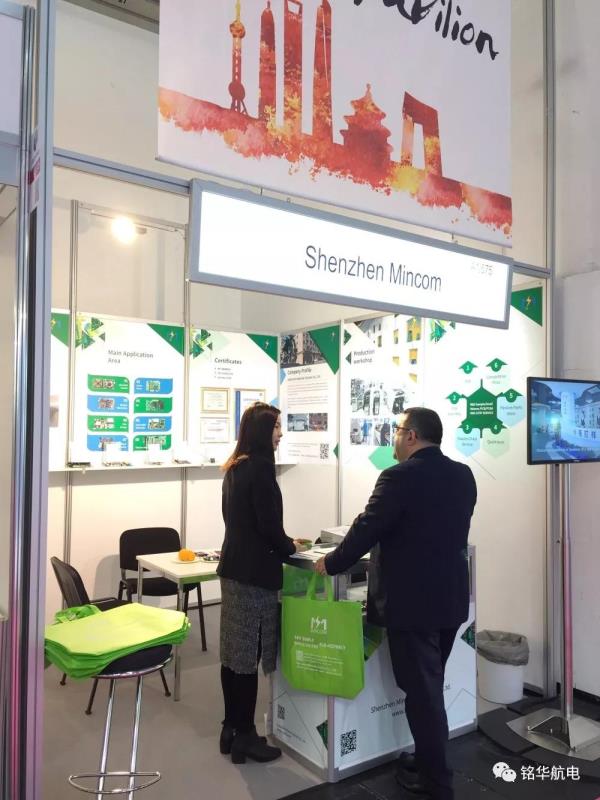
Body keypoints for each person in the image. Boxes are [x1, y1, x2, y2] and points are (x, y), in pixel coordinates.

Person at [316, 408, 476, 800]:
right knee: (429, 687)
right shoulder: (463, 475)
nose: (393, 439)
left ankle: (436, 782)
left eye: (397, 430)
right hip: (450, 598)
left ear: (412, 436)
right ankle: (426, 760)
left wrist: (331, 562)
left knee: (422, 694)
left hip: (413, 604)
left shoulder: (398, 477)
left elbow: (367, 528)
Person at [217, 402, 305, 764]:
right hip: (254, 576)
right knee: (247, 657)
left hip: (234, 570)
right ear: (262, 431)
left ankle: (230, 729)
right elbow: (268, 527)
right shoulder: (260, 470)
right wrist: (291, 547)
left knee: (232, 656)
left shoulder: (235, 467)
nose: (281, 434)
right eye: (276, 427)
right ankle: (247, 737)